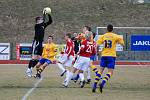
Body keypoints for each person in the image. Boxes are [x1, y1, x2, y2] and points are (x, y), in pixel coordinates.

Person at [92, 24, 124, 93]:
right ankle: (102, 83)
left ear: (107, 29)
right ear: (112, 29)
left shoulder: (103, 36)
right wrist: (118, 42)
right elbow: (122, 44)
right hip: (111, 56)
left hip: (104, 55)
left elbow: (97, 45)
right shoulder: (115, 36)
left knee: (100, 71)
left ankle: (94, 85)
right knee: (110, 72)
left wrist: (97, 51)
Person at [26, 9, 52, 77]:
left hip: (41, 43)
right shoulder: (37, 25)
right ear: (38, 21)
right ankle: (28, 69)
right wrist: (44, 14)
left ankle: (32, 69)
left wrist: (48, 14)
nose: (42, 20)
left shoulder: (43, 25)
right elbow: (43, 21)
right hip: (36, 42)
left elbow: (50, 21)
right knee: (34, 57)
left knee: (38, 59)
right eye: (41, 19)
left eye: (42, 19)